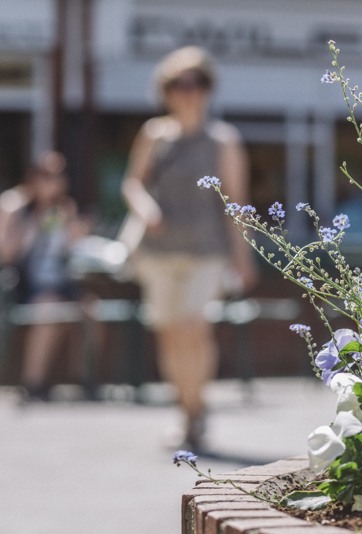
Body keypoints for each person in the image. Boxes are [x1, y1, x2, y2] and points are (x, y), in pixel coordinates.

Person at [121, 46, 257, 450]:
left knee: (193, 328)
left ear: (208, 89)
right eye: (179, 83)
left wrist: (244, 258)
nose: (189, 91)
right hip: (158, 251)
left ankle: (197, 412)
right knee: (169, 334)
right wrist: (145, 208)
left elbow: (237, 204)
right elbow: (133, 183)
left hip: (207, 251)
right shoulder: (153, 134)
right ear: (166, 90)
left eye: (197, 82)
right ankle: (185, 412)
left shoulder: (223, 140)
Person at [0, 152, 87, 401]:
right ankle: (32, 381)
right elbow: (7, 253)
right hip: (22, 284)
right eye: (48, 176)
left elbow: (70, 247)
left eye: (59, 175)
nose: (54, 181)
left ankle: (84, 382)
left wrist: (74, 226)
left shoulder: (63, 208)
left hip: (60, 282)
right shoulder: (15, 205)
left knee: (89, 309)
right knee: (50, 307)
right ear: (33, 178)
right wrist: (36, 218)